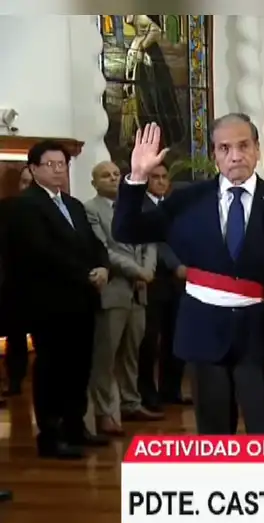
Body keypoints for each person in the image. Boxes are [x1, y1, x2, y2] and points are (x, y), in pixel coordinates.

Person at [114, 118, 264, 523]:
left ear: (257, 148)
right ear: (214, 153)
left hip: (261, 336)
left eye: (244, 146)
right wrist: (135, 178)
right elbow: (127, 231)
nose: (235, 156)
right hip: (203, 332)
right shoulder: (187, 199)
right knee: (214, 431)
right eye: (225, 148)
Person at [5, 141, 110, 459]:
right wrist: (85, 273)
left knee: (80, 367)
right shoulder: (24, 206)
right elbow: (41, 253)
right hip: (50, 303)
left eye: (62, 164)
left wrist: (103, 266)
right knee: (52, 370)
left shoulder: (74, 205)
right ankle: (50, 436)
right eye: (50, 164)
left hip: (83, 301)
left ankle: (75, 428)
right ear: (33, 169)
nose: (58, 169)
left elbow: (94, 244)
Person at [85, 161, 164, 436]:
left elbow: (149, 241)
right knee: (106, 356)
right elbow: (102, 248)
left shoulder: (135, 207)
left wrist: (148, 270)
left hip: (139, 291)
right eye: (105, 175)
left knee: (132, 352)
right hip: (114, 290)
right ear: (94, 182)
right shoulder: (90, 209)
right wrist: (137, 270)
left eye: (117, 174)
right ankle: (105, 412)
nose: (113, 179)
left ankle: (131, 403)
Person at [136, 163, 188, 409]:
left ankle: (171, 389)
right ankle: (148, 392)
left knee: (176, 336)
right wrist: (177, 264)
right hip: (153, 279)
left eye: (164, 177)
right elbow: (157, 241)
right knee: (150, 339)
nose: (160, 181)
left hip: (178, 283)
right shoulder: (141, 207)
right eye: (154, 177)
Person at [0, 166, 33, 399]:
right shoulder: (5, 209)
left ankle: (18, 380)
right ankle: (11, 381)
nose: (27, 188)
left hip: (39, 285)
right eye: (24, 183)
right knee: (15, 334)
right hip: (8, 283)